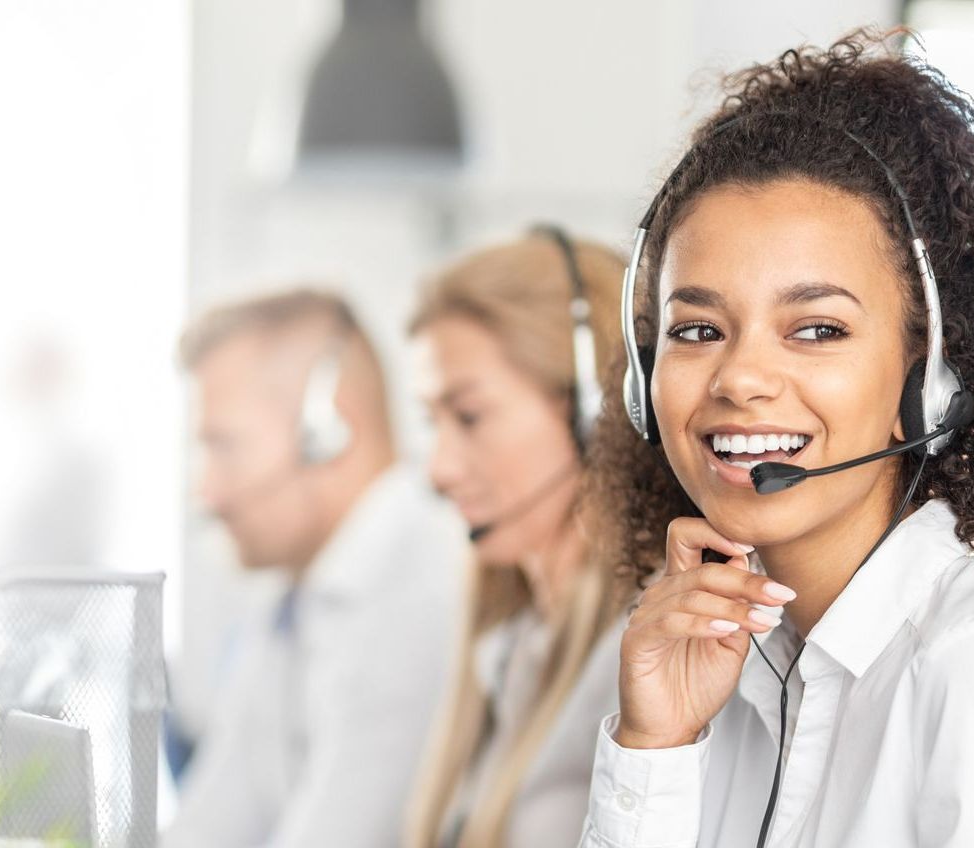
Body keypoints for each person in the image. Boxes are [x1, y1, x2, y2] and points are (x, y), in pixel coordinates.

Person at [576, 32, 974, 848]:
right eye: (698, 329)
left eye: (816, 328)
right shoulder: (722, 679)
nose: (739, 379)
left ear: (927, 378)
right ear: (643, 380)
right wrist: (653, 750)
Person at [164, 289, 464, 848]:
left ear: (328, 431)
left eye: (225, 446)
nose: (207, 492)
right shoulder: (297, 592)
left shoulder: (418, 593)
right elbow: (212, 823)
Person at [403, 228, 630, 848]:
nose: (439, 469)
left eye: (470, 417)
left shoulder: (645, 656)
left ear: (595, 413)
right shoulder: (513, 644)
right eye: (433, 422)